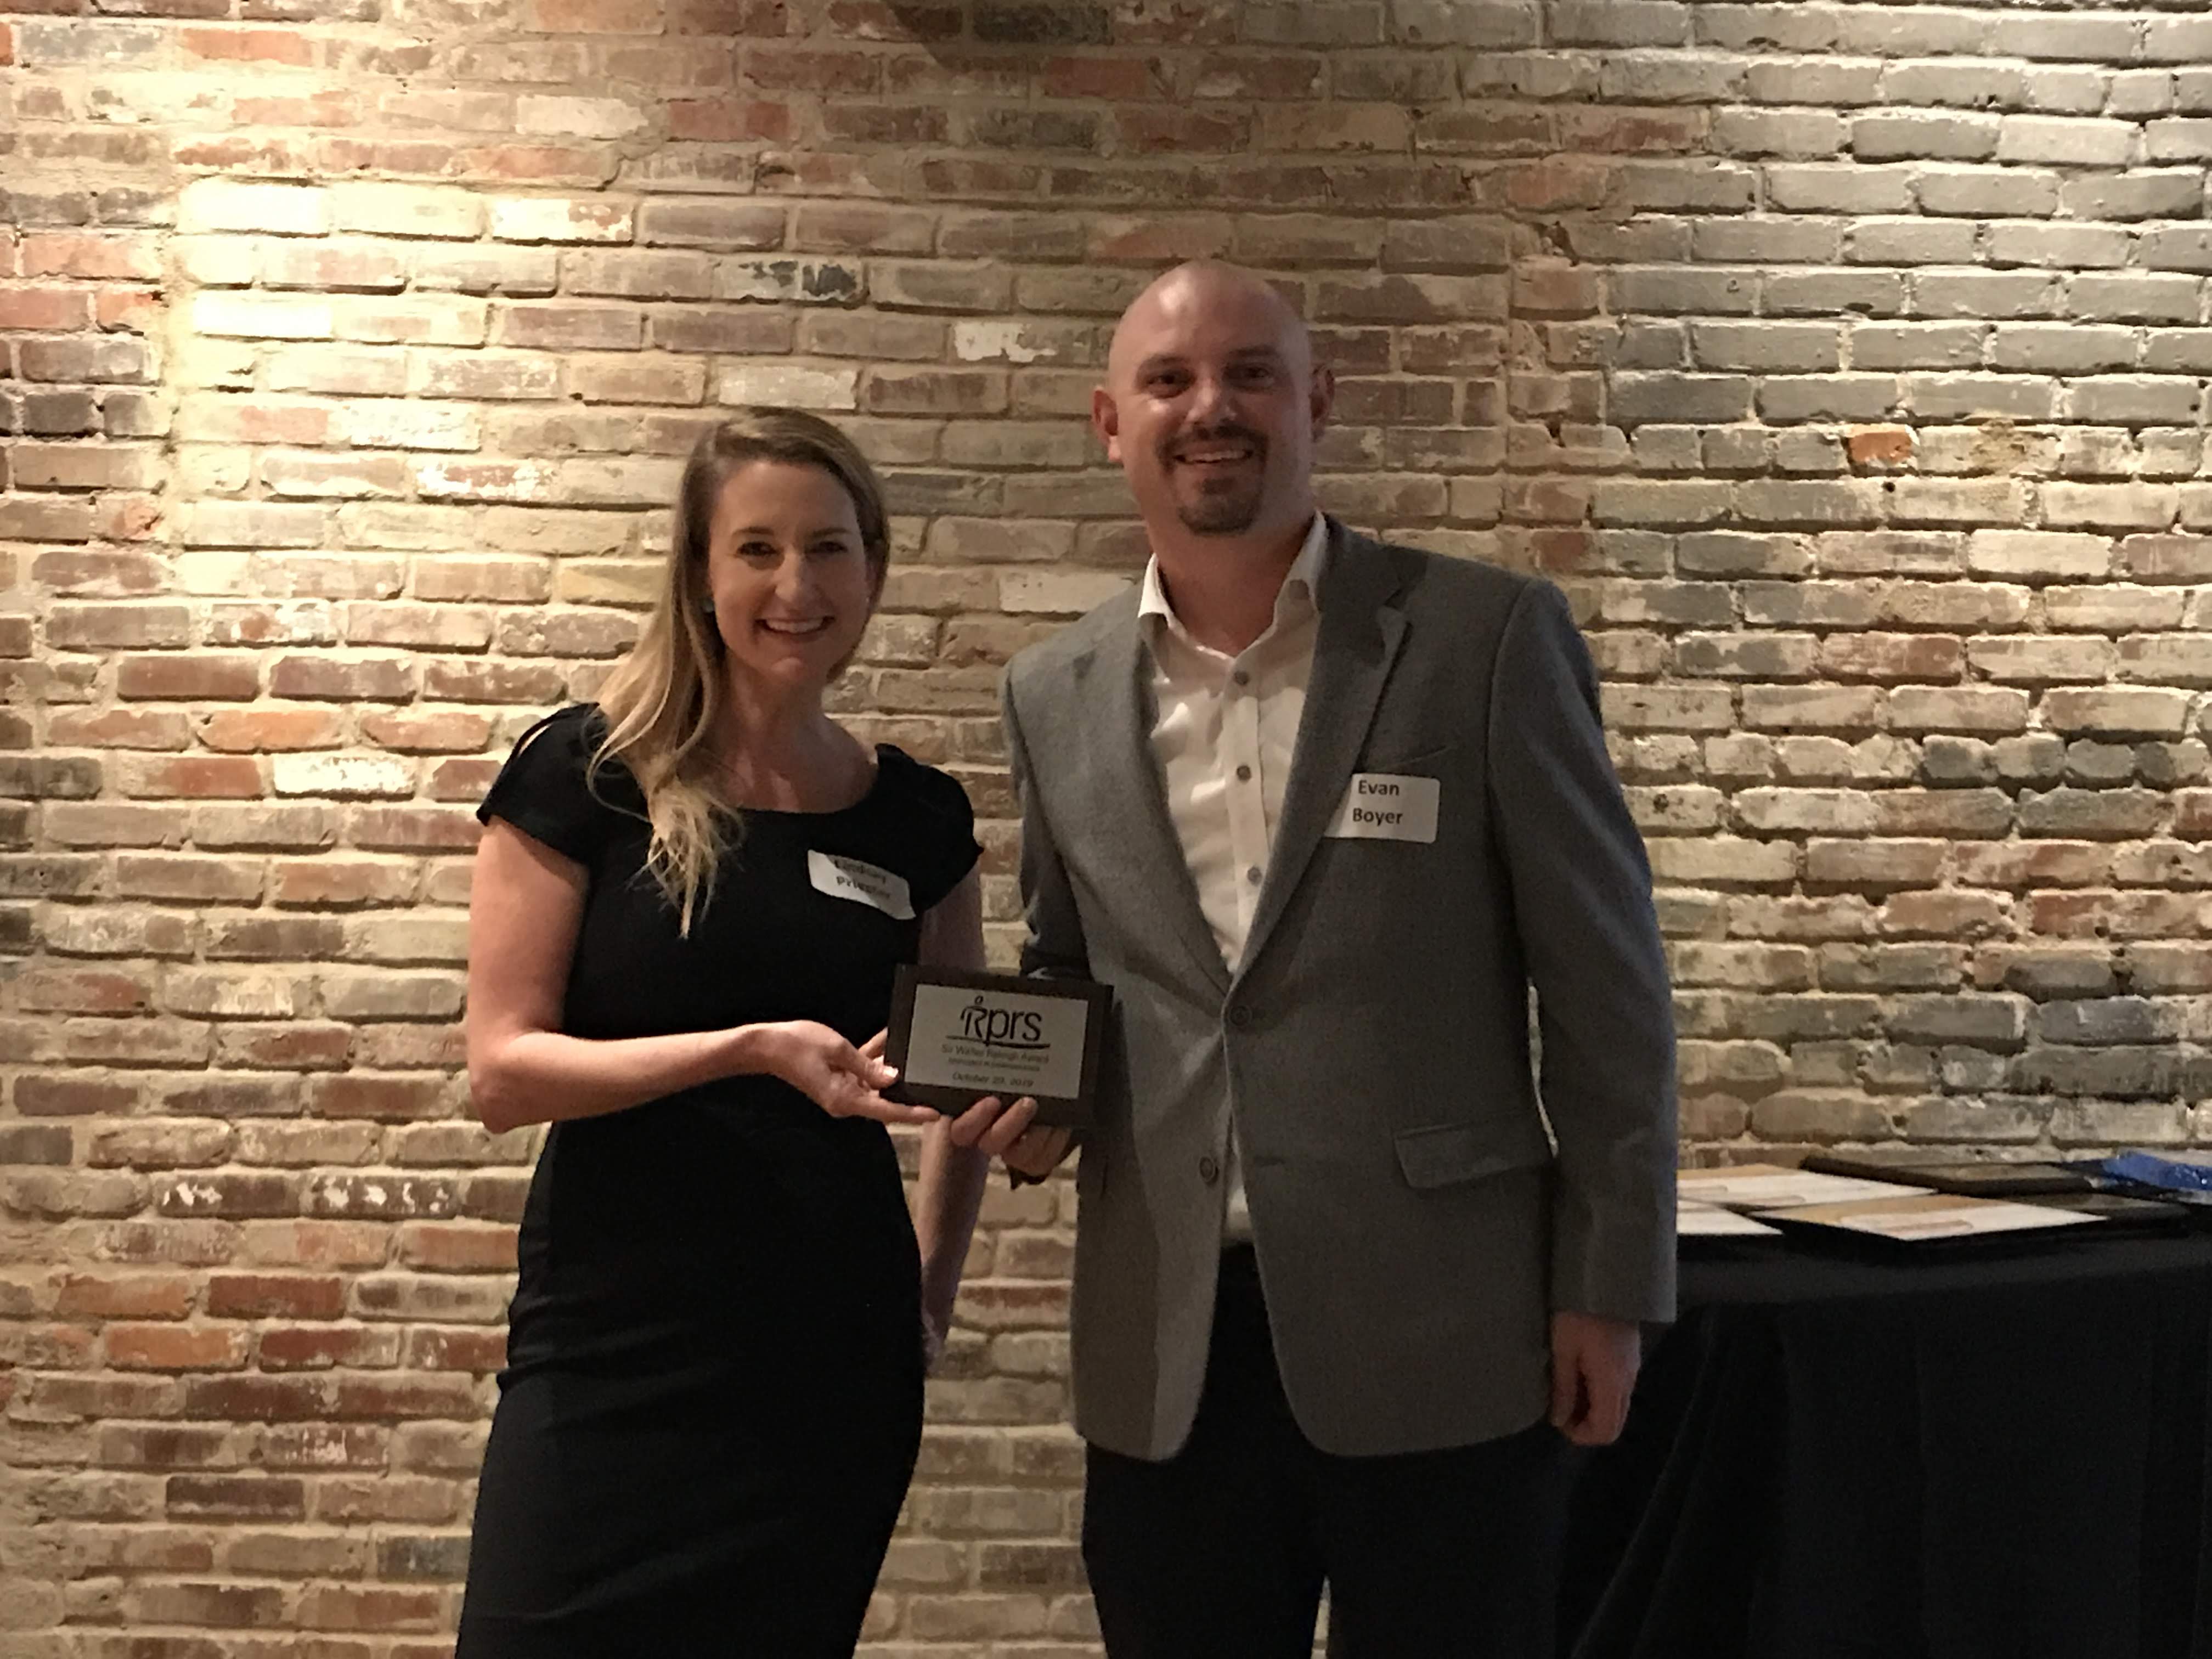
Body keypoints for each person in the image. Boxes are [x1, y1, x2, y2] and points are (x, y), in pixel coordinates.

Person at [979, 262, 1679, 1657]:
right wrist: (1029, 1094)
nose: (1211, 408)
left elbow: (1608, 994)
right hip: (1170, 1343)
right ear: (1111, 424)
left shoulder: (1483, 639)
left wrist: (1608, 1285)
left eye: (1251, 373)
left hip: (1445, 1331)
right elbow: (1067, 960)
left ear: (1319, 401)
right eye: (1170, 381)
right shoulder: (1050, 693)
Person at [455, 410, 1032, 1656]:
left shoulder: (919, 818)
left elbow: (964, 1077)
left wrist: (928, 1294)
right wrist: (746, 1048)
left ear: (873, 567)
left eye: (828, 549)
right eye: (757, 550)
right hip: (611, 1346)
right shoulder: (588, 774)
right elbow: (502, 1072)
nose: (795, 587)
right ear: (701, 572)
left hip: (831, 1358)